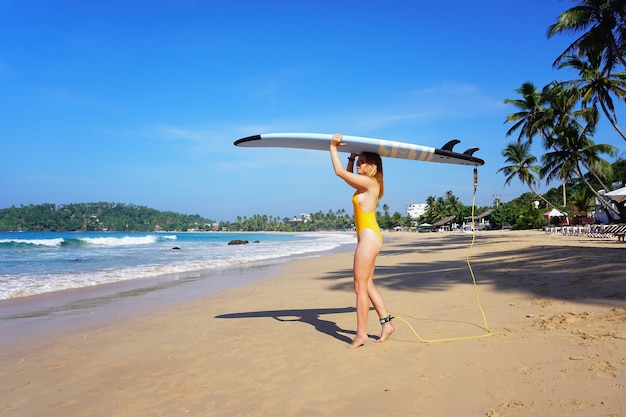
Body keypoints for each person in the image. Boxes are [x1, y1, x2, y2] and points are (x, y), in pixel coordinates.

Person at [330, 133, 394, 348]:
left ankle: (361, 334)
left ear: (372, 166)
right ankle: (386, 324)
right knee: (367, 285)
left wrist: (333, 146)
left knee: (359, 288)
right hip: (369, 237)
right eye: (357, 162)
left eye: (361, 162)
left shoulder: (370, 184)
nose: (358, 165)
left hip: (368, 239)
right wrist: (350, 158)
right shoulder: (366, 185)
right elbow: (347, 175)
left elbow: (339, 173)